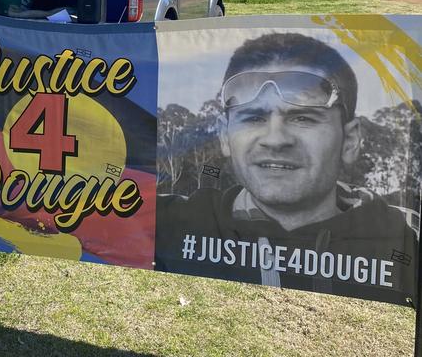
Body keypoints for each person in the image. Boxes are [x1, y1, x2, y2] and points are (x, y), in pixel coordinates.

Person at [155, 33, 417, 304]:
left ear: (349, 140)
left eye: (302, 117)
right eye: (254, 117)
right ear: (224, 138)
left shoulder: (402, 239)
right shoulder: (167, 223)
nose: (275, 139)